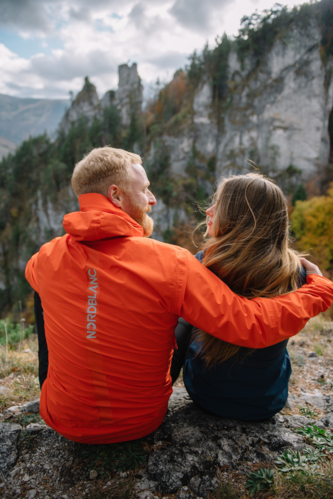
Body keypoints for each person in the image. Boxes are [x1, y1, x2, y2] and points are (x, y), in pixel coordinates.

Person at [25, 147, 333, 444]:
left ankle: (56, 389)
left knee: (43, 286)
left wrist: (91, 288)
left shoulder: (46, 256)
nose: (153, 199)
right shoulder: (170, 262)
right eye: (144, 189)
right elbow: (249, 322)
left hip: (61, 418)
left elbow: (54, 278)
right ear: (116, 195)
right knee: (178, 303)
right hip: (139, 422)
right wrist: (318, 290)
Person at [171, 173, 321, 420]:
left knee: (187, 319)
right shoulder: (297, 273)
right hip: (267, 402)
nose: (208, 210)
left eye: (218, 205)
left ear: (237, 218)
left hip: (206, 395)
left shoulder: (203, 264)